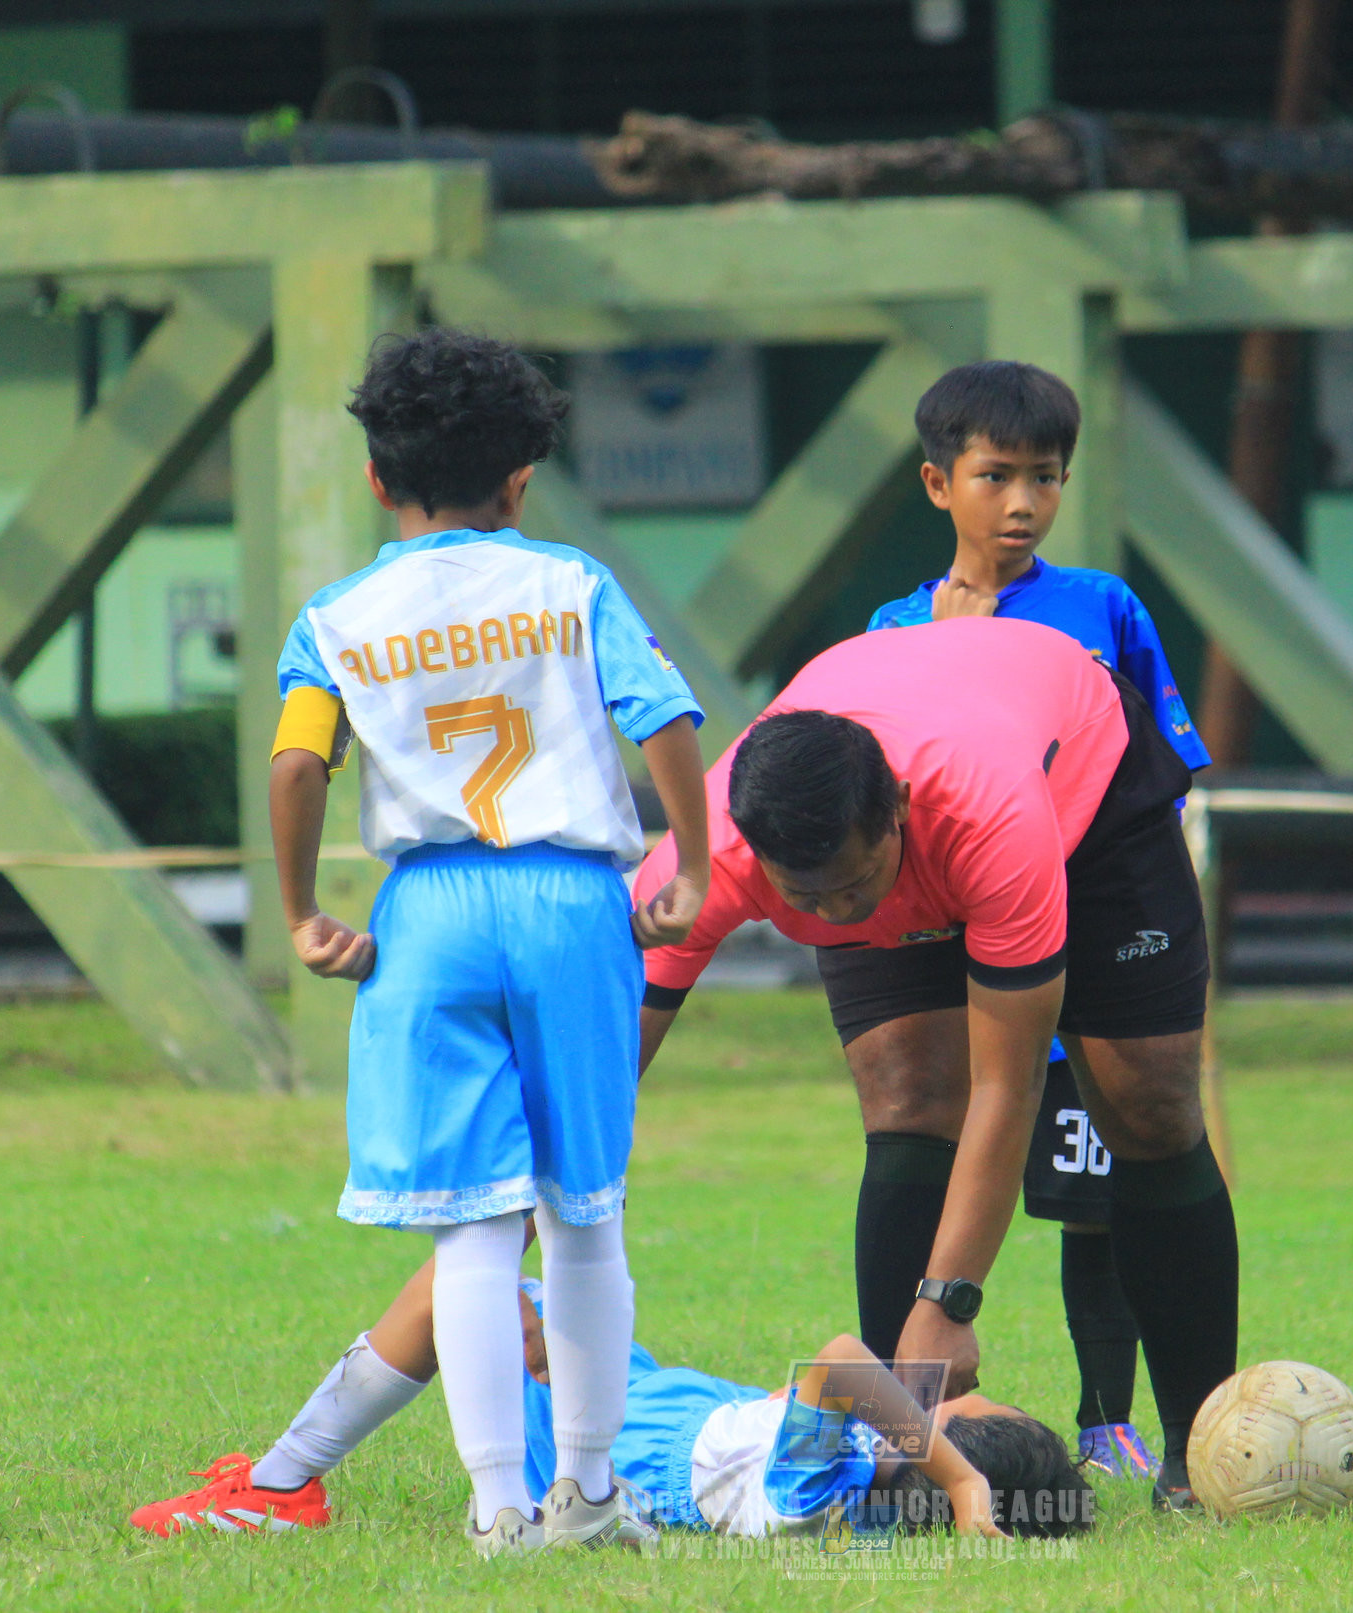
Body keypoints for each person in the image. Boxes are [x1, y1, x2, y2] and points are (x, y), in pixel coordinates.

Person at [267, 326, 711, 1557]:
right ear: (521, 480)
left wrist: (301, 910)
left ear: (377, 477)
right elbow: (664, 713)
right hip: (569, 902)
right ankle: (588, 1491)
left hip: (429, 914)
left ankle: (495, 1504)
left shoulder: (336, 614)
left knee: (468, 1223)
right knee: (584, 1212)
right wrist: (693, 864)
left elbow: (298, 761)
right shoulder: (572, 583)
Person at [634, 615, 1237, 1511]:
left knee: (1145, 1107)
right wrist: (522, 1207)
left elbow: (1009, 1082)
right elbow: (599, 1065)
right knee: (908, 1093)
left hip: (1082, 786)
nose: (836, 915)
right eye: (803, 897)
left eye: (851, 885)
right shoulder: (704, 861)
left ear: (898, 812)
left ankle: (1199, 1453)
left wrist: (948, 1302)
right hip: (911, 796)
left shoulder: (987, 816)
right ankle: (901, 1454)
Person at [864, 359, 1211, 1481]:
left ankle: (1141, 1431)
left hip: (1098, 931)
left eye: (1046, 478)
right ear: (936, 484)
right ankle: (903, 1437)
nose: (1022, 502)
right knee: (929, 1141)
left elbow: (1161, 777)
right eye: (995, 475)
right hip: (971, 944)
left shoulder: (1104, 605)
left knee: (1113, 1173)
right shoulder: (891, 626)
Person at [126, 1261, 1093, 1542]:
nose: (933, 1398)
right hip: (658, 1395)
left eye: (948, 1417)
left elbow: (842, 1360)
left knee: (456, 1284)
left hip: (607, 1432)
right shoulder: (834, 1482)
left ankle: (280, 1486)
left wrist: (963, 1482)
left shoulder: (807, 1495)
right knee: (519, 1266)